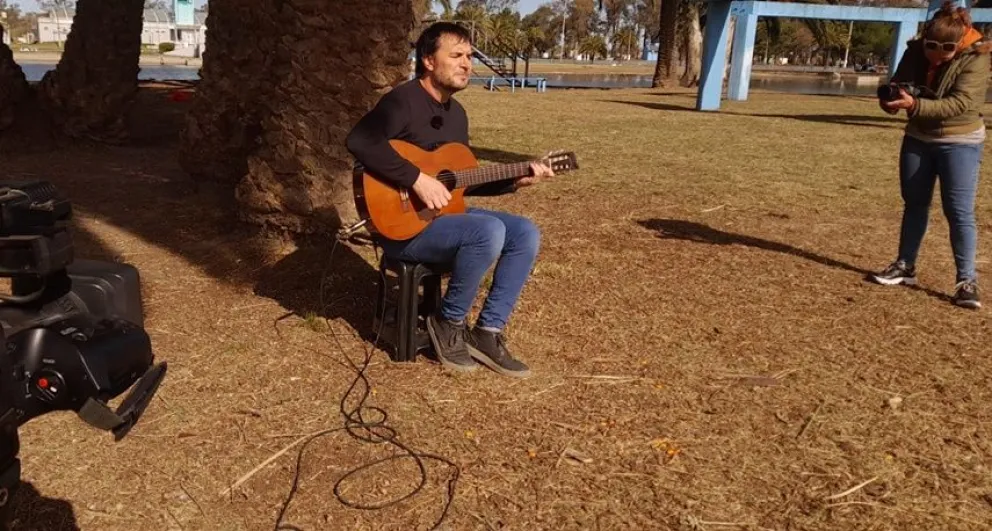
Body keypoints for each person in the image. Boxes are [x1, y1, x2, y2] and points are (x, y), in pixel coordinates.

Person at [345, 22, 554, 377]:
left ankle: (487, 332)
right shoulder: (403, 101)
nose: (467, 64)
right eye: (456, 55)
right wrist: (416, 179)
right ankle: (449, 322)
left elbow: (460, 183)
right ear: (428, 60)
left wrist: (513, 181)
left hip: (445, 221)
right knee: (486, 230)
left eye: (470, 56)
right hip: (402, 228)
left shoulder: (456, 115)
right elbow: (360, 141)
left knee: (524, 232)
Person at [869, 1, 991, 309]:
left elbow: (960, 103)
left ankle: (966, 280)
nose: (936, 56)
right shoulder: (915, 50)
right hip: (919, 137)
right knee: (914, 202)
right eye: (930, 50)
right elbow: (900, 82)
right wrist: (893, 98)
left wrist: (914, 105)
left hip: (960, 140)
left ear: (957, 44)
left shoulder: (977, 57)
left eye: (944, 52)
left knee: (958, 211)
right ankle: (905, 265)